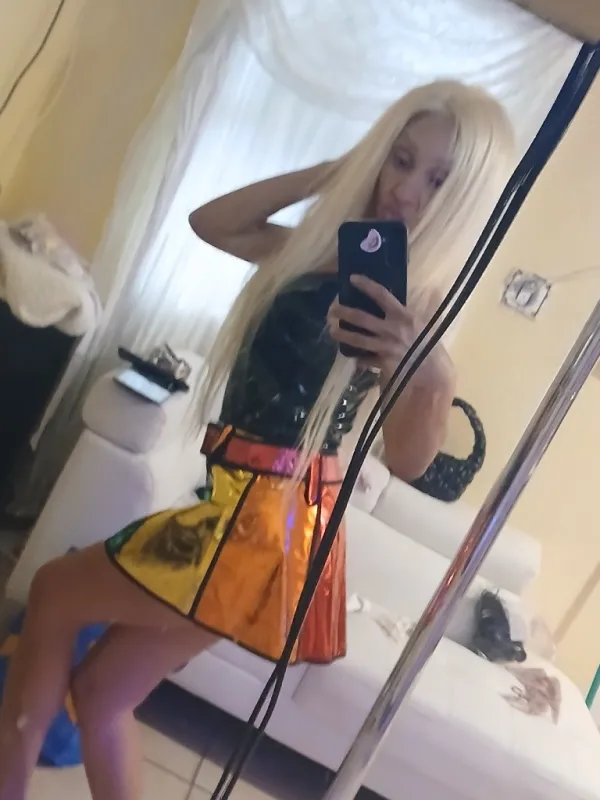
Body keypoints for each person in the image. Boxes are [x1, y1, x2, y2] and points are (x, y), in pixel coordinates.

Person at [0, 80, 514, 800]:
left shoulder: (416, 304)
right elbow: (212, 220)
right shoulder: (320, 256)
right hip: (253, 517)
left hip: (269, 527)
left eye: (438, 180)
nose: (405, 190)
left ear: (464, 202)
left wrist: (429, 375)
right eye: (399, 160)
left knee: (55, 592)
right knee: (103, 692)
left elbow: (408, 459)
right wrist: (337, 172)